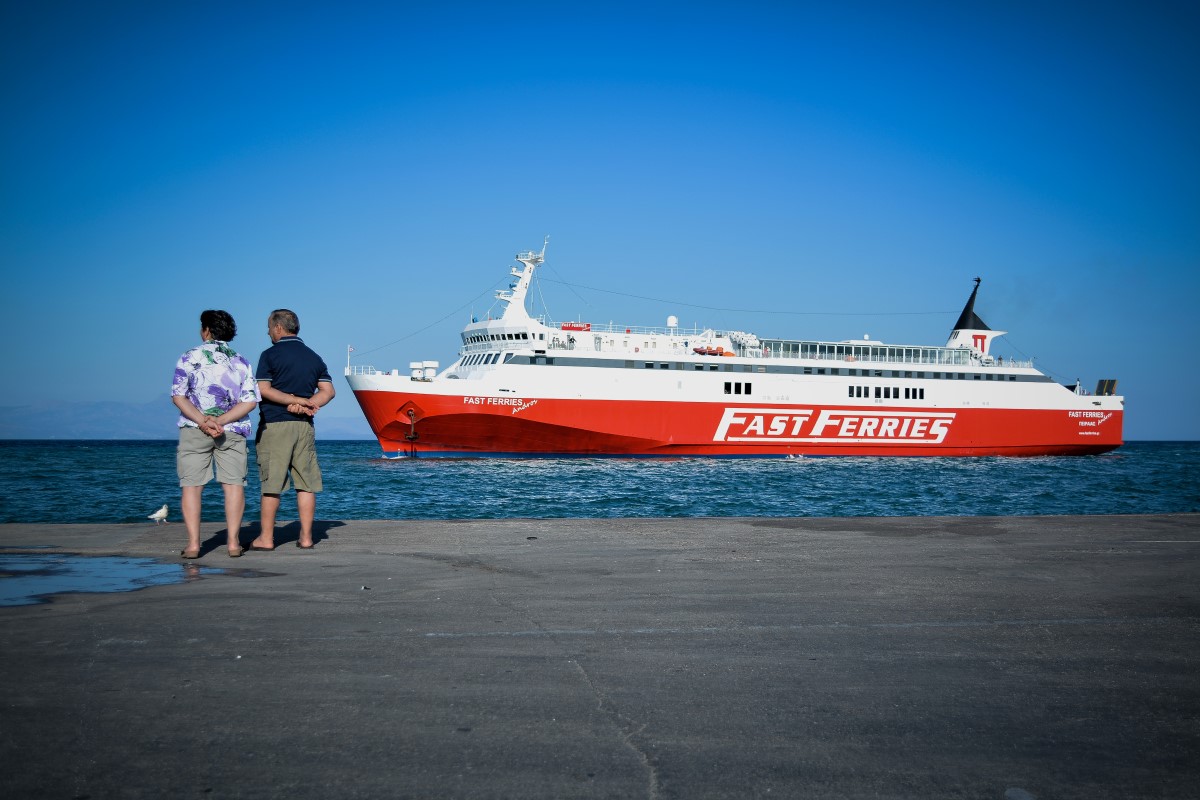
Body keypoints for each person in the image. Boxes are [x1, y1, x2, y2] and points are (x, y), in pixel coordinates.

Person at [170, 310, 260, 559]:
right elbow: (250, 401)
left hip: (194, 428)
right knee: (233, 486)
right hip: (231, 429)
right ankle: (233, 544)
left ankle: (193, 545)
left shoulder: (189, 356)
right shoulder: (241, 361)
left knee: (191, 486)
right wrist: (220, 420)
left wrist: (203, 421)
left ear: (206, 330)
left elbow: (178, 396)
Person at [247, 309, 335, 551]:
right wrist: (308, 404)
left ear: (278, 328)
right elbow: (328, 392)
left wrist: (289, 401)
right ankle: (306, 538)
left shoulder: (269, 355)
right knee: (306, 483)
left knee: (271, 484)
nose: (267, 332)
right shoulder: (314, 357)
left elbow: (263, 389)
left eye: (269, 327)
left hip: (275, 425)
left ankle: (266, 538)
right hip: (304, 427)